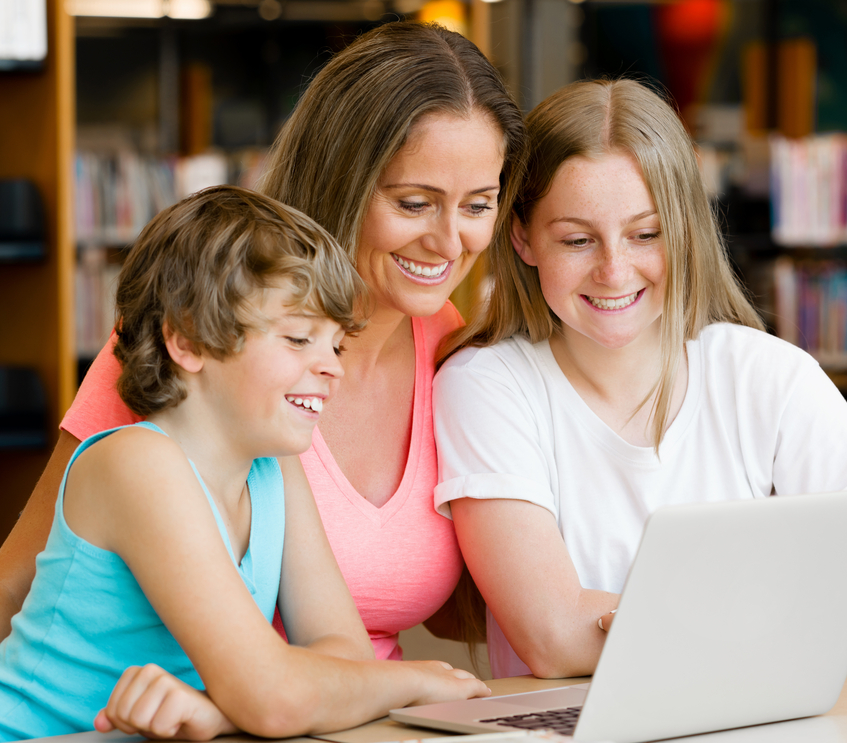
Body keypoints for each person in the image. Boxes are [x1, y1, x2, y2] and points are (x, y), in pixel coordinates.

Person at [0, 22, 525, 656]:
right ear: (343, 180)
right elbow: (20, 583)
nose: (450, 242)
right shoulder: (201, 333)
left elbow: (456, 610)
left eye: (478, 205)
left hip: (360, 717)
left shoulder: (457, 357)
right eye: (415, 203)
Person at [433, 79, 847, 680]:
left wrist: (685, 632)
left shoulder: (768, 374)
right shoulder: (486, 386)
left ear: (686, 230)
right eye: (576, 239)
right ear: (522, 237)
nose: (615, 270)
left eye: (646, 234)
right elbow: (554, 636)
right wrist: (784, 626)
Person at [0, 187, 489, 741]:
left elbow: (345, 656)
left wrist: (220, 709)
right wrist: (414, 682)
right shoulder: (134, 462)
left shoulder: (273, 467)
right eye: (299, 338)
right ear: (187, 340)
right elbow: (280, 698)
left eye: (335, 345)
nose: (331, 368)